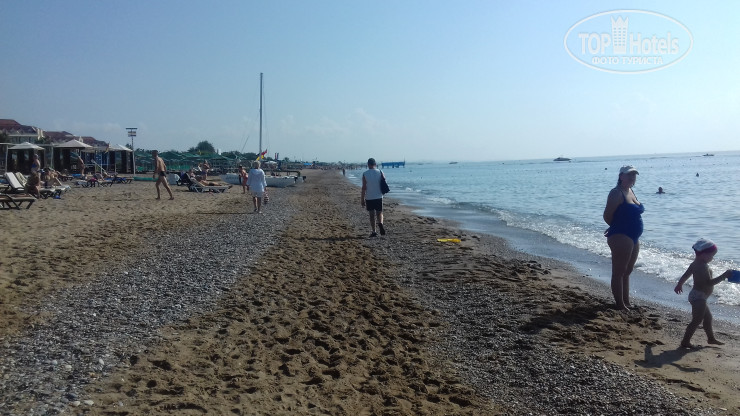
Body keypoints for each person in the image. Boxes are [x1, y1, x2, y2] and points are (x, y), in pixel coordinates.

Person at [674, 238, 732, 349]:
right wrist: (724, 276)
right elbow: (709, 283)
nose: (712, 258)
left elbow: (685, 275)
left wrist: (679, 284)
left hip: (698, 296)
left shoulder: (695, 263)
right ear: (704, 254)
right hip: (698, 297)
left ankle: (711, 338)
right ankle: (685, 341)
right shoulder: (702, 267)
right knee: (696, 320)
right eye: (712, 255)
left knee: (708, 318)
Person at [603, 165, 644, 310]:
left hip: (633, 237)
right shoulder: (616, 193)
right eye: (629, 175)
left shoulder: (631, 191)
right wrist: (616, 227)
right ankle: (620, 304)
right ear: (621, 176)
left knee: (627, 271)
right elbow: (607, 215)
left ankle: (626, 302)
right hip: (621, 236)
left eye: (634, 175)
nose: (632, 177)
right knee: (619, 272)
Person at [361, 157, 386, 237]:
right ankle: (380, 223)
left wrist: (362, 199)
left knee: (371, 215)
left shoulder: (365, 174)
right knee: (379, 213)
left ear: (368, 164)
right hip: (378, 196)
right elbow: (384, 180)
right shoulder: (380, 172)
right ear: (375, 164)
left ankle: (374, 231)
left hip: (369, 197)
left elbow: (364, 188)